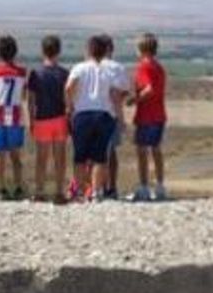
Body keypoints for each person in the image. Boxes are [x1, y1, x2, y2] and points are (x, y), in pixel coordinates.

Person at [65, 35, 124, 201]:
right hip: (104, 114)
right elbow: (116, 94)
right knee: (100, 157)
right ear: (105, 51)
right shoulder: (111, 69)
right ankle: (97, 191)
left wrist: (69, 106)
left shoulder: (79, 68)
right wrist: (119, 116)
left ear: (88, 50)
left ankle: (79, 191)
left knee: (80, 157)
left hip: (82, 114)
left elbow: (69, 88)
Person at [26, 34, 70, 203]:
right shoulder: (64, 73)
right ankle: (59, 192)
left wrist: (31, 120)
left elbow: (30, 100)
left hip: (41, 119)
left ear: (43, 51)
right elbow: (68, 99)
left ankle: (40, 191)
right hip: (60, 118)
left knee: (41, 158)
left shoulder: (35, 73)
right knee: (60, 158)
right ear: (59, 51)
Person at [0, 35, 27, 200]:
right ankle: (18, 187)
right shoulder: (22, 72)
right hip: (16, 117)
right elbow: (24, 92)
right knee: (15, 155)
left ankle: (1, 189)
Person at [129, 32, 169, 201]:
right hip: (159, 114)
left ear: (142, 49)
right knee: (156, 150)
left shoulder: (143, 67)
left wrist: (135, 99)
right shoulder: (159, 67)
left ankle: (144, 187)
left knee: (142, 151)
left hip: (146, 115)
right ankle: (160, 186)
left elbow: (149, 88)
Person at [101, 35, 131, 200]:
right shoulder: (118, 68)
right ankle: (111, 187)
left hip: (92, 113)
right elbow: (124, 91)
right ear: (111, 49)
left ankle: (98, 186)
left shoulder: (89, 66)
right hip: (112, 113)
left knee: (96, 154)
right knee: (111, 152)